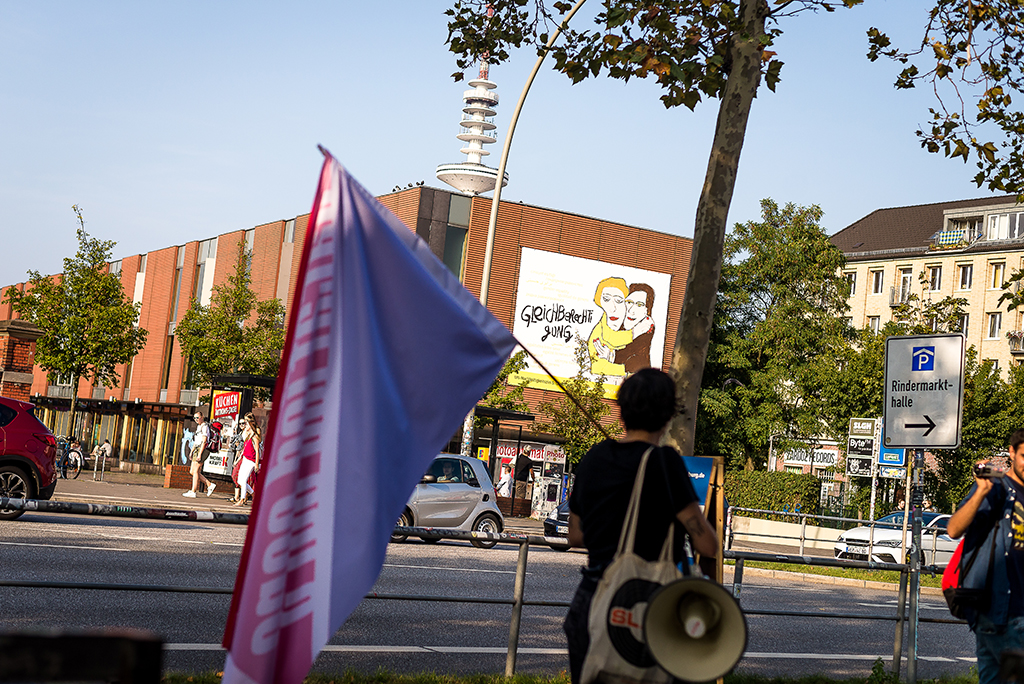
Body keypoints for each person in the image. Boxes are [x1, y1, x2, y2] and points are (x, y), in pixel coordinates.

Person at [563, 368, 719, 684]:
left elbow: (575, 536)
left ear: (621, 410)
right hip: (647, 606)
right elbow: (707, 545)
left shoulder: (593, 459)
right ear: (667, 416)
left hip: (593, 599)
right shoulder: (664, 463)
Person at [947, 430, 1024, 684]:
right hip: (1004, 612)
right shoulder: (996, 489)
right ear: (1012, 453)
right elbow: (954, 529)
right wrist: (980, 492)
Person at [613, 283, 655, 372]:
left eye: (639, 305)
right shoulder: (614, 327)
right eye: (629, 302)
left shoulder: (638, 358)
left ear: (647, 310)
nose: (631, 310)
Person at [183, 411, 216, 498]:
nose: (196, 419)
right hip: (197, 448)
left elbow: (204, 441)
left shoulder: (205, 427)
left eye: (197, 417)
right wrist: (191, 451)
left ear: (202, 417)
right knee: (192, 471)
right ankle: (209, 484)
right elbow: (196, 441)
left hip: (203, 449)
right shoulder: (198, 427)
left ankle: (193, 491)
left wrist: (200, 454)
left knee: (196, 470)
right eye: (194, 418)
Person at [233, 413, 261, 507]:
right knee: (240, 481)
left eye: (246, 423)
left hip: (251, 460)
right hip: (245, 458)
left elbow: (257, 451)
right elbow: (244, 449)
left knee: (244, 480)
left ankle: (241, 500)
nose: (244, 425)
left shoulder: (254, 436)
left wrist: (256, 464)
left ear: (250, 423)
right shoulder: (247, 435)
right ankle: (254, 495)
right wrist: (238, 460)